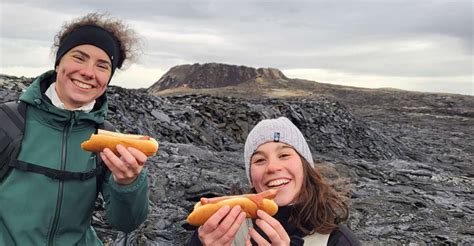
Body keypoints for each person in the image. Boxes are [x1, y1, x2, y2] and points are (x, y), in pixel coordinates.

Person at [0, 12, 149, 245]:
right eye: (79, 57)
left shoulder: (108, 139)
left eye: (102, 65)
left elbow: (126, 223)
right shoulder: (7, 122)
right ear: (59, 62)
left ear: (108, 78)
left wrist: (128, 183)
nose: (88, 72)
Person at [187, 117, 360, 245]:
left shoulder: (338, 240)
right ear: (251, 175)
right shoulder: (222, 229)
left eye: (284, 155)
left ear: (305, 166)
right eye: (260, 160)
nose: (272, 167)